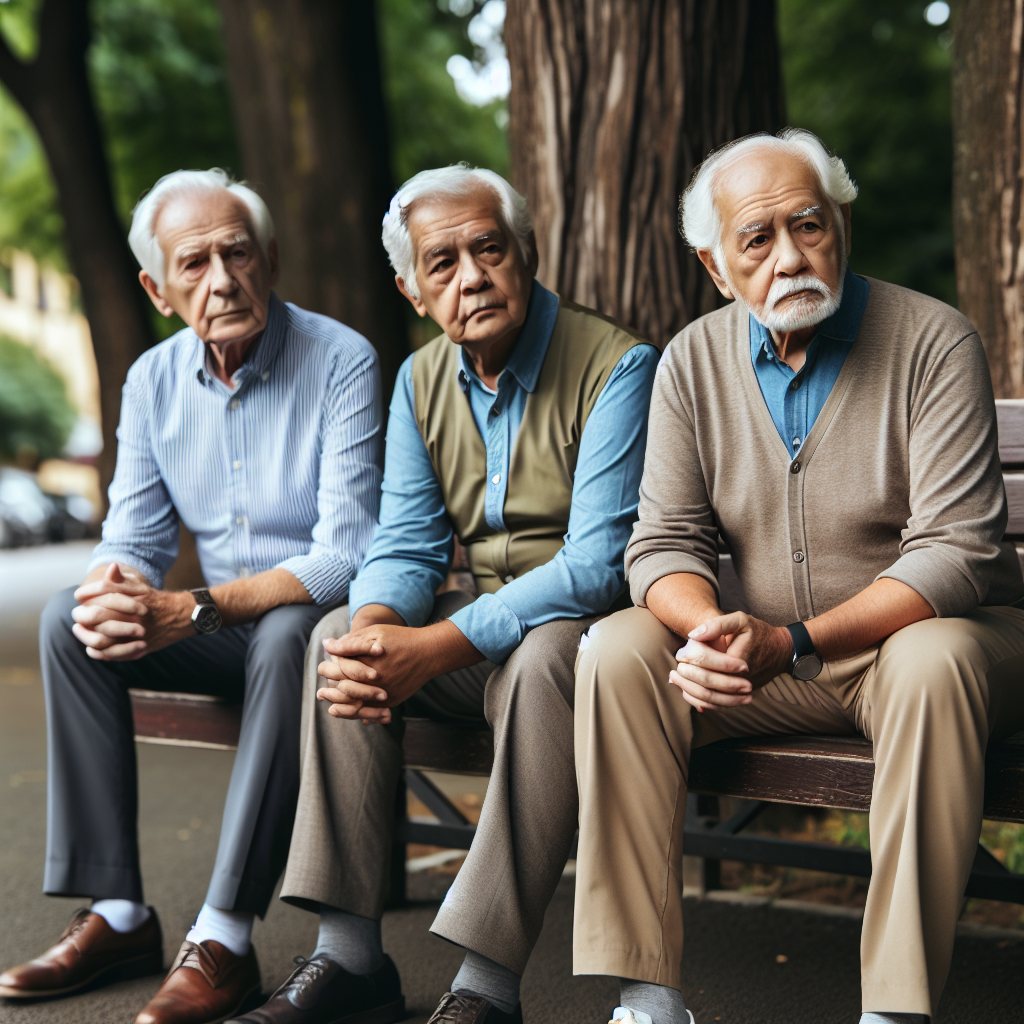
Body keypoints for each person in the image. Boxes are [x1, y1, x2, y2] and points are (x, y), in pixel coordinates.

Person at [572, 127, 1024, 1024]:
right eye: (758, 239)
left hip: (920, 652)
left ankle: (893, 1009)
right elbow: (660, 545)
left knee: (933, 661)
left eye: (809, 226)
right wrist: (710, 632)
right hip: (768, 663)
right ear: (715, 266)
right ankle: (646, 999)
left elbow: (956, 552)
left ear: (842, 224)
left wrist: (795, 641)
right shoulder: (690, 362)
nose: (790, 257)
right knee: (618, 651)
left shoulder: (935, 341)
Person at [227, 164, 660, 1024]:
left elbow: (599, 562)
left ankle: (485, 987)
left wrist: (432, 649)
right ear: (413, 287)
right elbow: (405, 543)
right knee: (338, 634)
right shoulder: (421, 379)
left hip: (590, 639)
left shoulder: (619, 365)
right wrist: (384, 629)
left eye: (489, 249)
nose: (471, 277)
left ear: (526, 254)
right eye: (442, 262)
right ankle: (348, 958)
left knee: (544, 657)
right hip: (477, 637)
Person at [0, 169, 383, 1024]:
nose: (222, 280)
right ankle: (119, 914)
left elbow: (347, 554)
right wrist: (112, 587)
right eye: (195, 263)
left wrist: (198, 606)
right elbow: (134, 541)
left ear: (271, 260)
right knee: (70, 620)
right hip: (221, 630)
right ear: (159, 289)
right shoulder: (152, 382)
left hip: (315, 629)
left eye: (237, 253)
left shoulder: (342, 360)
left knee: (292, 631)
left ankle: (225, 936)